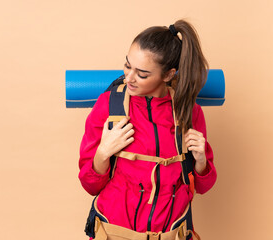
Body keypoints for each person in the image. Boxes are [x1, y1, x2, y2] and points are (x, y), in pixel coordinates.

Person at [78, 19, 217, 240]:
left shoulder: (189, 112)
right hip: (114, 233)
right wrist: (102, 154)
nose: (129, 78)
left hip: (173, 232)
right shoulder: (108, 105)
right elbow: (90, 184)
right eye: (127, 65)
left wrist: (201, 161)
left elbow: (203, 186)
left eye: (142, 74)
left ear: (169, 75)